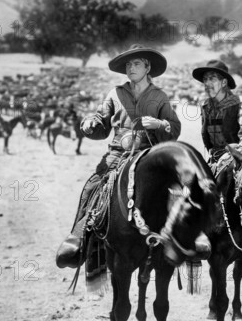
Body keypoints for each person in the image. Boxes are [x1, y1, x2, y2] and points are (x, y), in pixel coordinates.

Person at [56, 44, 181, 269]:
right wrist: (89, 124)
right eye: (128, 64)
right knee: (93, 185)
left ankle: (182, 241)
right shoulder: (115, 93)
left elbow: (174, 128)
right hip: (117, 154)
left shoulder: (160, 96)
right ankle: (78, 237)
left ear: (147, 67)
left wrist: (159, 123)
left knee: (176, 188)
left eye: (136, 64)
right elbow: (101, 122)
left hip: (148, 154)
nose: (130, 68)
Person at [193, 60, 242, 164]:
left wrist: (237, 148)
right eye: (205, 79)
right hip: (215, 161)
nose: (207, 83)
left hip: (240, 162)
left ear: (224, 82)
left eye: (212, 79)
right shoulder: (206, 106)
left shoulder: (240, 103)